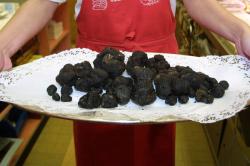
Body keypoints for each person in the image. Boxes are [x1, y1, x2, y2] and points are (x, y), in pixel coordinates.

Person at [0, 0, 250, 166]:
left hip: (157, 79)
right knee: (98, 153)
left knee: (152, 153)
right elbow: (44, 2)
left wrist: (240, 33)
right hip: (98, 76)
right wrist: (3, 45)